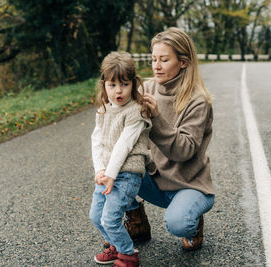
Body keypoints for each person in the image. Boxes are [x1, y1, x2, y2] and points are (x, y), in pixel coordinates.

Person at [124, 27, 215, 252]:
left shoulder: (198, 100)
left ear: (183, 62)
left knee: (178, 223)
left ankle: (192, 222)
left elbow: (184, 150)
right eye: (154, 59)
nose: (156, 65)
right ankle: (137, 223)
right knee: (112, 168)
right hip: (153, 179)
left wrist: (157, 118)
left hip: (187, 183)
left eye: (164, 60)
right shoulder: (146, 87)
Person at [89, 51, 152, 267]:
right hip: (107, 174)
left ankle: (127, 255)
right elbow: (96, 141)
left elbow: (123, 145)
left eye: (124, 84)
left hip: (126, 175)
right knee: (96, 216)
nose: (118, 90)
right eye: (112, 85)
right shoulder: (104, 109)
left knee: (110, 218)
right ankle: (116, 244)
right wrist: (100, 171)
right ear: (104, 85)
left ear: (133, 84)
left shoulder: (136, 111)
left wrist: (110, 174)